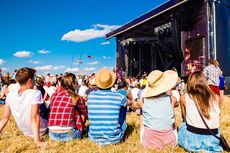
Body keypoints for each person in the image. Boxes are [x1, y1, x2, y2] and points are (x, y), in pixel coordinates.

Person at [0, 67, 47, 147]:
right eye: (34, 78)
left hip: (25, 131)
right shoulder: (35, 93)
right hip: (40, 130)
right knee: (49, 107)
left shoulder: (10, 94)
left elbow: (5, 117)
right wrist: (37, 141)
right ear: (30, 80)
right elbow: (34, 117)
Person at [131, 70, 178, 150]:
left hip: (148, 143)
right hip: (171, 143)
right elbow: (177, 104)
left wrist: (139, 104)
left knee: (143, 111)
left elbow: (133, 105)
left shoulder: (143, 101)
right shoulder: (171, 99)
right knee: (171, 111)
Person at [87, 68, 133, 146]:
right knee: (122, 106)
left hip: (93, 138)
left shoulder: (90, 96)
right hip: (114, 139)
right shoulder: (118, 96)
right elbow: (130, 103)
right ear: (112, 83)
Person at [178, 71, 222, 152]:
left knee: (182, 125)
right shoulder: (217, 98)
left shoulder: (184, 98)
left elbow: (184, 118)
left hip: (192, 141)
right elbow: (217, 117)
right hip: (213, 139)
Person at [48, 73, 88, 142]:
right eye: (76, 82)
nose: (77, 84)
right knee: (81, 113)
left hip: (52, 134)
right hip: (69, 135)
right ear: (72, 84)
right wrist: (85, 104)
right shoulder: (76, 97)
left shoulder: (54, 95)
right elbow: (85, 113)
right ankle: (83, 130)